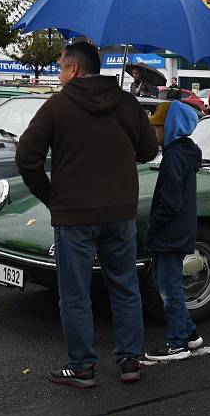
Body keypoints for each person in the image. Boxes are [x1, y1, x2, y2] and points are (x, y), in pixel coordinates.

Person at [15, 41, 159, 387]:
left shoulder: (58, 105)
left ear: (75, 69)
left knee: (75, 293)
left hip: (74, 216)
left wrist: (51, 197)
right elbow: (149, 151)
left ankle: (81, 366)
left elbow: (26, 156)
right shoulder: (126, 102)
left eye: (61, 67)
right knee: (125, 288)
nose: (60, 74)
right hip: (120, 212)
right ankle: (129, 361)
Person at [144, 101, 204, 361]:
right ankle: (189, 333)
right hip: (179, 232)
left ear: (169, 128)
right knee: (165, 283)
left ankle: (177, 342)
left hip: (169, 234)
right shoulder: (184, 153)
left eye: (157, 127)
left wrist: (154, 225)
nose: (154, 132)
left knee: (169, 288)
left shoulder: (173, 157)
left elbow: (170, 203)